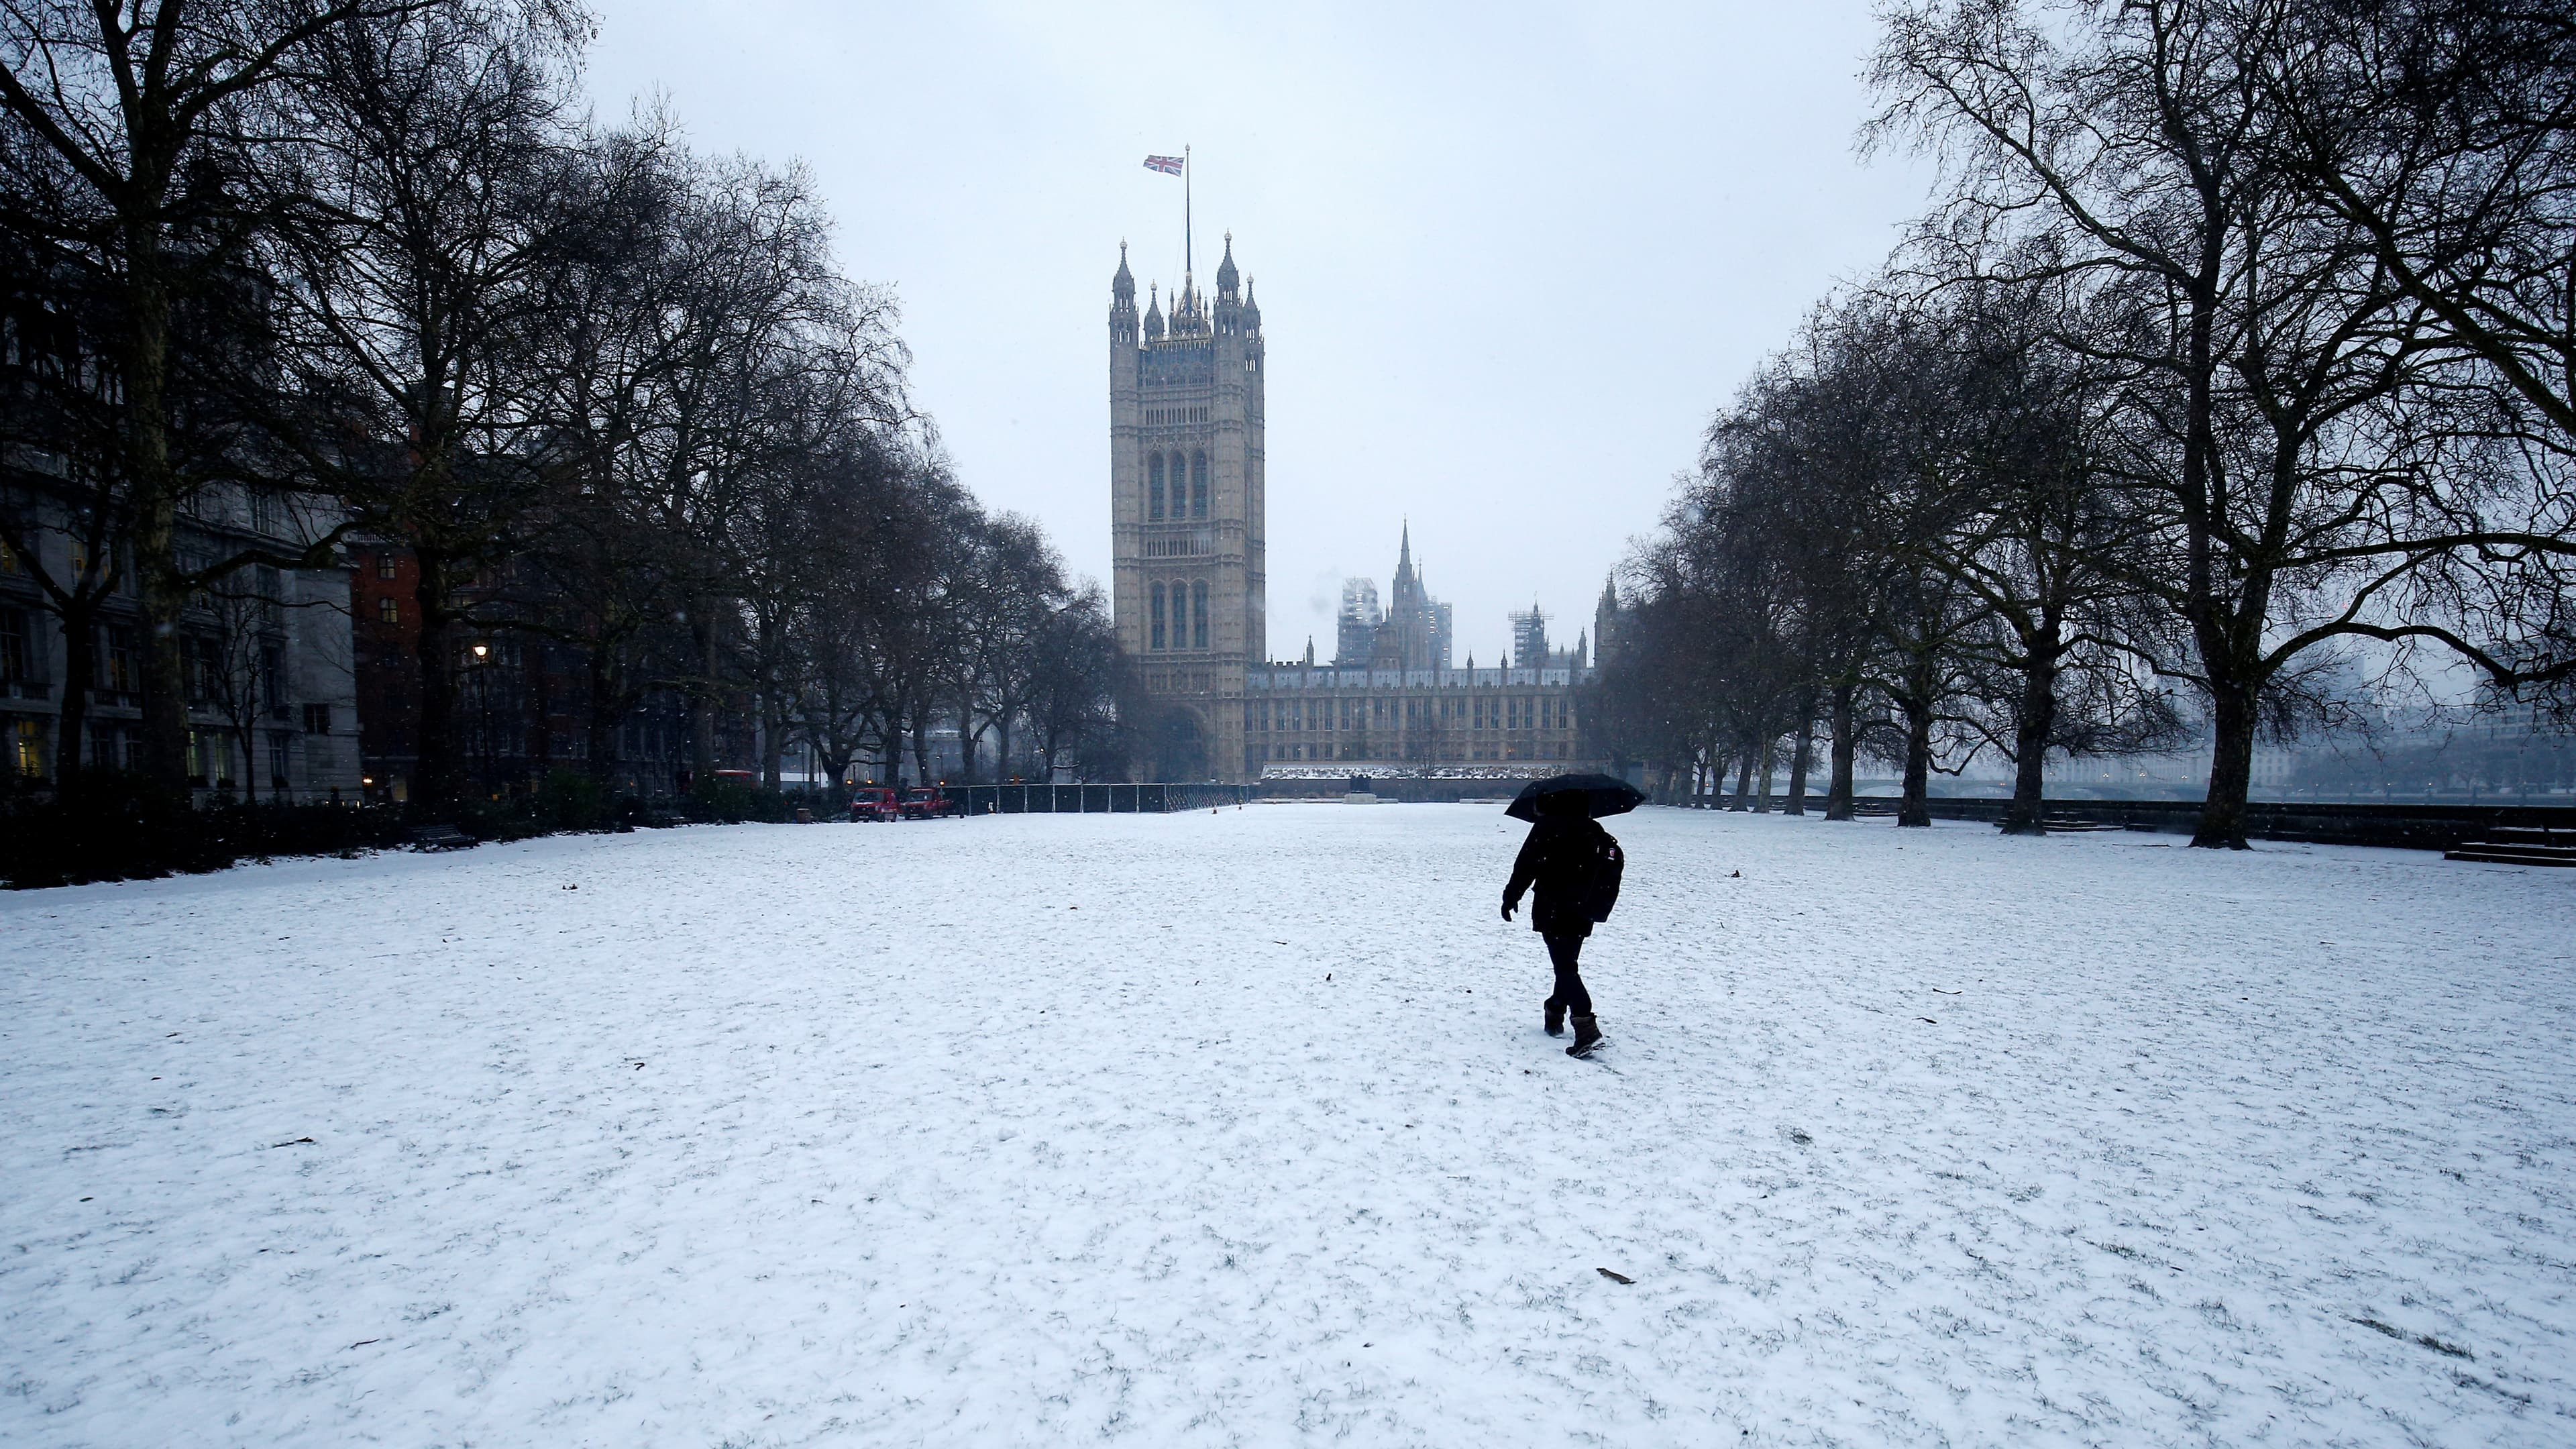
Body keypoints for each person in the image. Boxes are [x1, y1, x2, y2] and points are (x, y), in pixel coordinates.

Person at [1502, 790, 1617, 1057]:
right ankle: (1555, 1008)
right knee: (1567, 964)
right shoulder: (1594, 829)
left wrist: (1511, 897)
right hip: (1585, 907)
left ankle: (1586, 1025)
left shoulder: (1547, 828)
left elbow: (1526, 865)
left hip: (1553, 905)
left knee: (1564, 967)